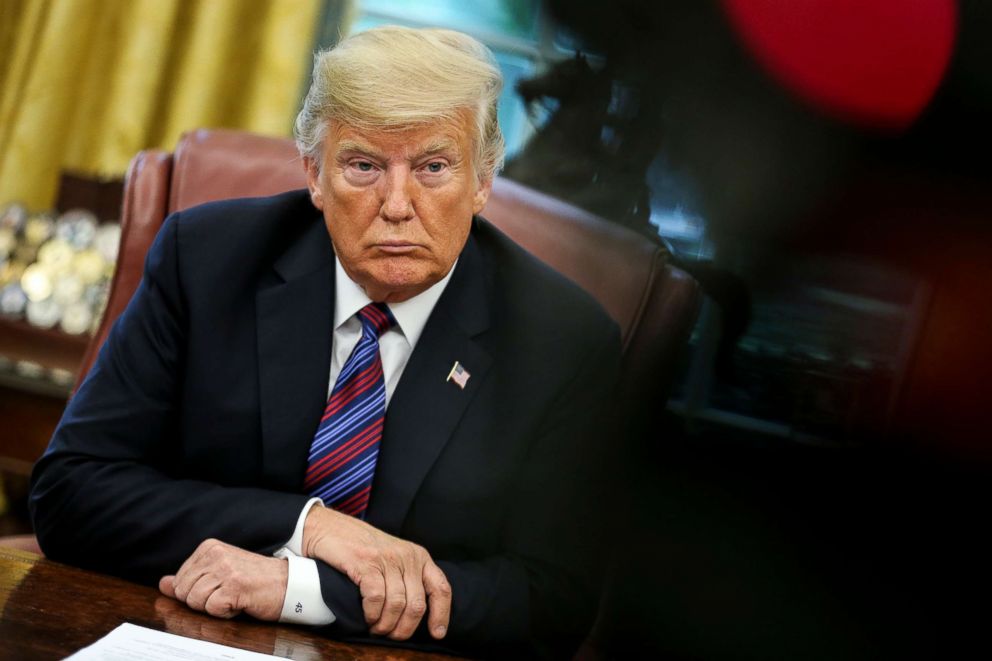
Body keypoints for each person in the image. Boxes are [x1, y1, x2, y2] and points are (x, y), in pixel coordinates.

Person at [30, 26, 621, 658]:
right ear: (315, 174)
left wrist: (297, 587)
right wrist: (306, 526)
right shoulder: (206, 262)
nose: (397, 204)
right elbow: (70, 492)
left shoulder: (561, 339)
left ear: (481, 182)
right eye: (363, 166)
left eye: (434, 168)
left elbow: (551, 598)